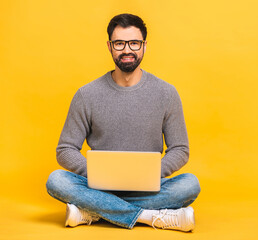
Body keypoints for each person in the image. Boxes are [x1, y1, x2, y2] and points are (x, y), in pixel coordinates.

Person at [46, 13, 200, 232]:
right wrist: (96, 172)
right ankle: (150, 216)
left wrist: (153, 172)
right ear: (110, 47)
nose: (127, 50)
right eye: (120, 43)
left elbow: (180, 149)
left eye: (134, 43)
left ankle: (94, 212)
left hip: (148, 188)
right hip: (98, 187)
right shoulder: (86, 95)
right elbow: (65, 149)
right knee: (56, 180)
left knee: (190, 184)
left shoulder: (167, 93)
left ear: (144, 46)